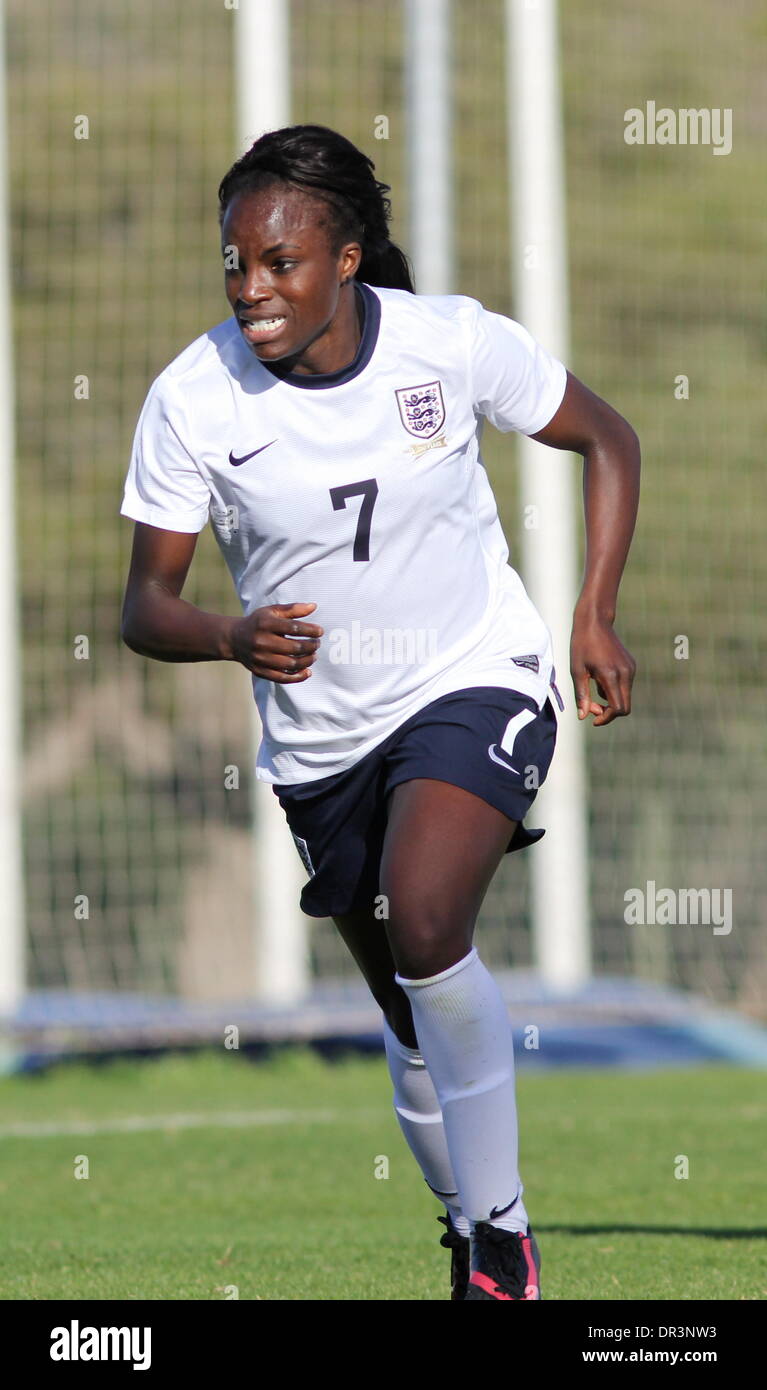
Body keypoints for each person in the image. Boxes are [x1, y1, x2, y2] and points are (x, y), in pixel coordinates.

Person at [119, 124, 639, 1301]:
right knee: (404, 1015)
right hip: (319, 746)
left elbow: (608, 436)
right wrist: (226, 635)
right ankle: (463, 1223)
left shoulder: (447, 344)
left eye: (280, 262)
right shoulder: (193, 397)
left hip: (474, 673)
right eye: (235, 264)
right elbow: (145, 605)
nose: (252, 287)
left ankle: (500, 1245)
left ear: (347, 259)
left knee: (424, 918)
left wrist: (592, 615)